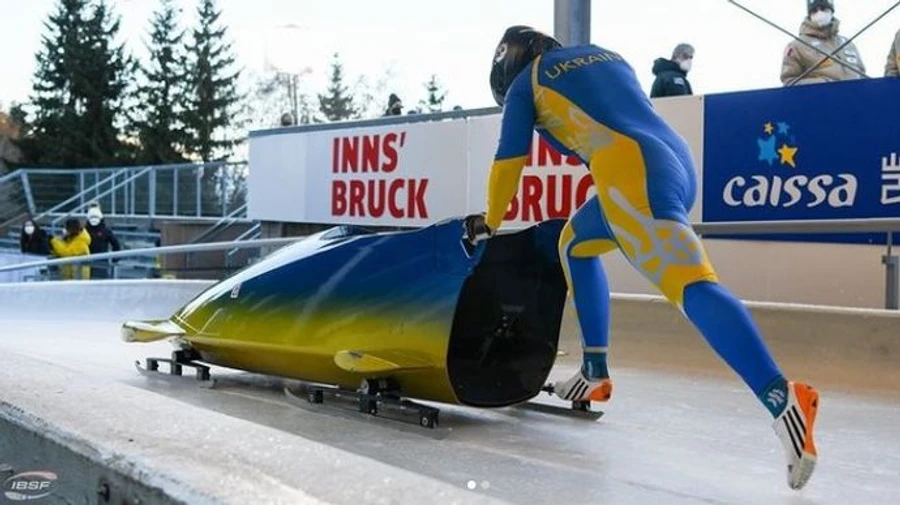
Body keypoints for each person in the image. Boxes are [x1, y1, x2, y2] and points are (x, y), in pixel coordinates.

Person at [463, 25, 819, 491]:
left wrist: (490, 220)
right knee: (574, 243)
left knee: (691, 285)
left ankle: (782, 398)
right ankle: (594, 372)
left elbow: (510, 157)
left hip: (630, 170)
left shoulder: (524, 84)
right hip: (674, 161)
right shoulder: (603, 56)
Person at [781, 0, 866, 85]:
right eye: (815, 11)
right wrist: (823, 83)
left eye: (824, 9)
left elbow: (862, 74)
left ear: (831, 12)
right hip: (821, 96)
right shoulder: (797, 46)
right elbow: (789, 81)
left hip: (855, 95)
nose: (820, 13)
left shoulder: (847, 43)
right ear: (810, 15)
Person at [84, 205, 121, 279]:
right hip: (89, 261)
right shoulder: (85, 230)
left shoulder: (105, 230)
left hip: (100, 261)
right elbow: (116, 244)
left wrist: (115, 258)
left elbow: (116, 244)